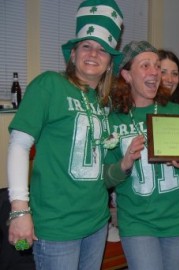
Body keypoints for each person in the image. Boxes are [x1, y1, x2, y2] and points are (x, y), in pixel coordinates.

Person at [6, 0, 124, 269]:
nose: (93, 54)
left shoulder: (103, 103)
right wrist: (19, 209)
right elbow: (19, 145)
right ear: (73, 54)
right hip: (57, 225)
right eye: (86, 46)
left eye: (102, 49)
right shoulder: (50, 84)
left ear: (109, 63)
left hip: (96, 221)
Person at [104, 40, 179, 270]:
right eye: (145, 65)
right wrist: (124, 164)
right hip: (138, 220)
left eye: (157, 66)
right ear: (127, 75)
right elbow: (105, 177)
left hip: (177, 218)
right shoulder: (113, 120)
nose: (155, 72)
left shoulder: (177, 112)